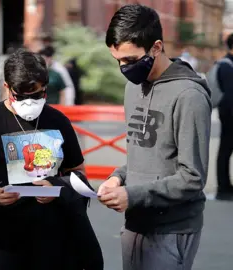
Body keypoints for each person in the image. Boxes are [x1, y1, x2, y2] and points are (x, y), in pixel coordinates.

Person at [0, 49, 103, 270]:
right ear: (7, 87)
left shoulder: (58, 121)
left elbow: (78, 172)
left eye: (37, 95)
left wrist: (55, 186)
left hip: (51, 238)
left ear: (45, 88)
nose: (30, 102)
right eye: (22, 96)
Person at [99, 4, 211, 270]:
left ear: (156, 47)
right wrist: (118, 177)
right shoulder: (132, 89)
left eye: (130, 60)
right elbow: (145, 155)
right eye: (118, 60)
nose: (124, 68)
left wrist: (134, 195)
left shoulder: (189, 96)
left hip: (171, 230)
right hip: (135, 223)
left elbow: (192, 178)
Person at [215, 33, 233, 199]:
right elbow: (229, 96)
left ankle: (226, 186)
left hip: (228, 112)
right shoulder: (227, 66)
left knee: (226, 150)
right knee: (225, 150)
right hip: (229, 115)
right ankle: (223, 187)